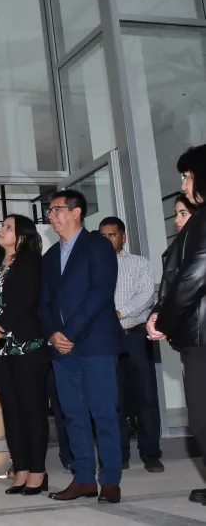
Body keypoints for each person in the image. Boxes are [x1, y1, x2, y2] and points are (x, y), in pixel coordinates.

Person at [40, 190, 121, 504]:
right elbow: (44, 303)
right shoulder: (49, 257)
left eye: (57, 209)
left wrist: (69, 332)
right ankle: (84, 478)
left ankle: (110, 480)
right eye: (50, 211)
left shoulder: (98, 246)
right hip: (62, 349)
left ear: (76, 212)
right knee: (73, 414)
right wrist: (52, 334)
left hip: (95, 343)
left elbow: (100, 292)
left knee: (104, 413)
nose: (52, 216)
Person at [149, 145, 206, 505]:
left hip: (202, 338)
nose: (184, 185)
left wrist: (165, 322)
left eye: (187, 176)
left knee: (202, 421)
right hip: (197, 334)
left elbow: (193, 277)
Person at [0, 215, 48, 495]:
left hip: (25, 345)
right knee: (11, 409)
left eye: (8, 227)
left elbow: (24, 301)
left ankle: (38, 471)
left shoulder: (31, 262)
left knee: (32, 408)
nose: (1, 230)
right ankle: (21, 468)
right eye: (2, 226)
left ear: (21, 235)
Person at [97, 217, 163, 473]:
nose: (107, 240)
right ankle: (119, 455)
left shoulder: (139, 263)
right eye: (102, 235)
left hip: (136, 336)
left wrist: (119, 313)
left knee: (146, 397)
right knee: (113, 399)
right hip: (106, 338)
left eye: (112, 235)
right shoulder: (93, 265)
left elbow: (146, 296)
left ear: (122, 237)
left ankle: (151, 454)